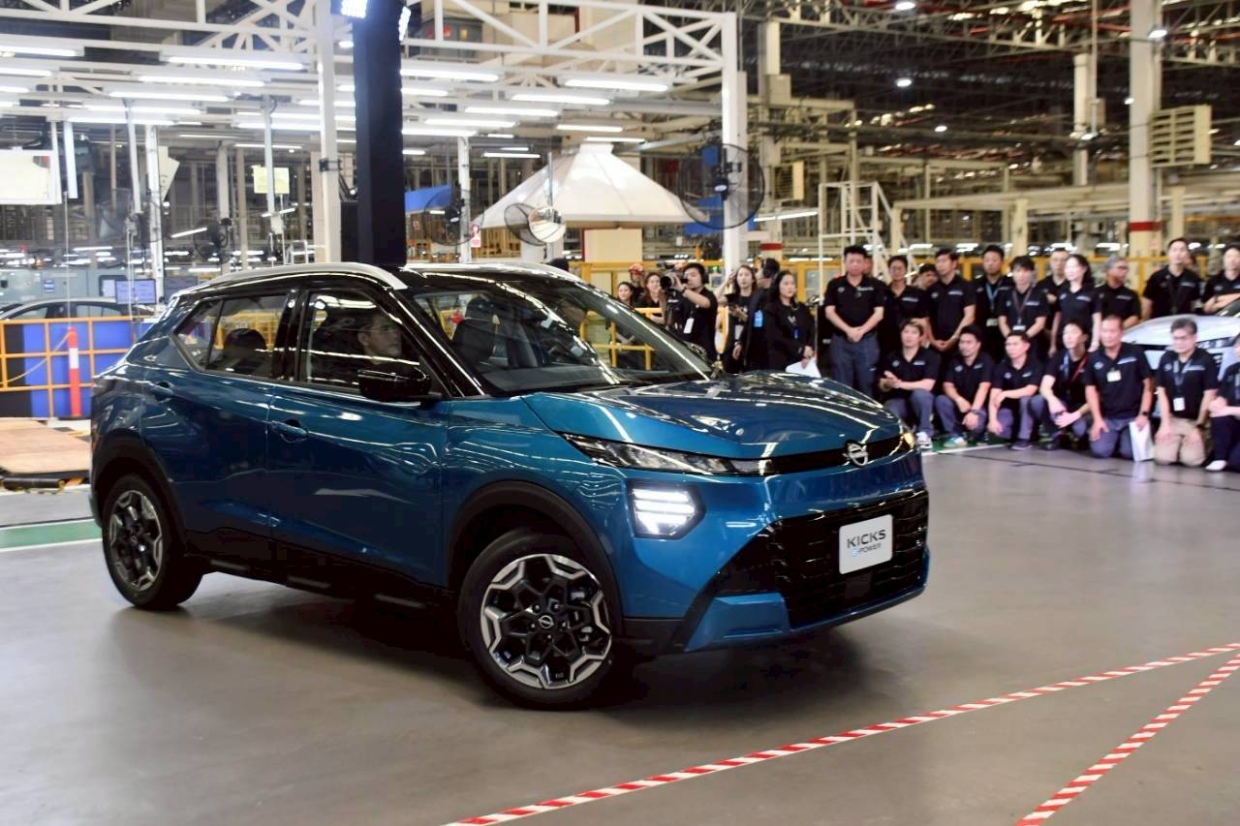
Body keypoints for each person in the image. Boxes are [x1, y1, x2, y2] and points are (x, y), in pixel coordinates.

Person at [1084, 315, 1154, 459]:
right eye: (1104, 331)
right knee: (1100, 451)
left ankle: (1125, 439)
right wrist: (1097, 419)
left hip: (1133, 416)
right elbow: (1090, 389)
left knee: (1130, 453)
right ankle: (1112, 437)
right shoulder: (1093, 357)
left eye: (1112, 331)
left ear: (1122, 333)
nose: (1108, 335)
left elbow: (1148, 385)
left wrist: (1143, 414)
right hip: (1109, 417)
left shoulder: (1135, 352)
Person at [1153, 317, 1218, 467]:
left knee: (1191, 461)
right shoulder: (1166, 358)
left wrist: (1199, 427)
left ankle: (1203, 441)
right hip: (1174, 419)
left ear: (1194, 338)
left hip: (1196, 420)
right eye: (1175, 338)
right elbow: (1161, 392)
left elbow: (1209, 395)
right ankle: (1178, 444)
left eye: (1184, 338)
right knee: (1162, 458)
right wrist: (1165, 424)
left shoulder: (1206, 359)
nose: (1179, 343)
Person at [825, 244, 886, 395]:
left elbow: (879, 313)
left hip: (867, 341)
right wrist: (849, 330)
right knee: (841, 387)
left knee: (868, 385)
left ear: (865, 263)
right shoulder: (834, 285)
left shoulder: (876, 285)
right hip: (841, 341)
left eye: (859, 261)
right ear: (844, 262)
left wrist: (861, 331)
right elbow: (829, 312)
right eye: (851, 261)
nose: (855, 264)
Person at [1031, 320, 1092, 450]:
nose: (1068, 337)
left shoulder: (1092, 359)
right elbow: (1044, 386)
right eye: (1065, 333)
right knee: (1037, 401)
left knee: (1079, 429)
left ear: (1084, 337)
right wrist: (1052, 400)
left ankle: (1082, 436)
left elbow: (1096, 398)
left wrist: (1075, 415)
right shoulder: (1059, 357)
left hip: (1083, 408)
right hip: (1063, 405)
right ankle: (1057, 435)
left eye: (1073, 332)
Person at [879, 320, 938, 449]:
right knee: (890, 407)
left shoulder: (930, 356)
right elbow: (882, 384)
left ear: (920, 337)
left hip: (920, 402)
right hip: (899, 400)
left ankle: (925, 433)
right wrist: (889, 383)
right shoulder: (891, 356)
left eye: (913, 333)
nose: (909, 336)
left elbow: (928, 385)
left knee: (920, 394)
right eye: (906, 332)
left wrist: (900, 384)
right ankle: (902, 436)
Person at [935, 325, 993, 447]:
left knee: (976, 426)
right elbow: (947, 385)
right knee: (941, 400)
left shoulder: (986, 360)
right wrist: (959, 399)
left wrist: (974, 411)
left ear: (978, 344)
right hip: (961, 405)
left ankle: (979, 433)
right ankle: (955, 435)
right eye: (962, 342)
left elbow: (984, 388)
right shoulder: (954, 359)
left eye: (969, 342)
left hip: (979, 407)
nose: (964, 346)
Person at [987, 331, 1042, 450]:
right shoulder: (1001, 366)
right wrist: (992, 420)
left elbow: (1030, 390)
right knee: (997, 430)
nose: (1010, 348)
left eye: (1015, 344)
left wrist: (1005, 393)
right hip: (1010, 408)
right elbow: (994, 395)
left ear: (1026, 346)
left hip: (1029, 409)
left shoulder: (1035, 364)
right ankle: (1016, 433)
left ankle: (1024, 438)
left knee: (1025, 399)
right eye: (1008, 344)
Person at [925, 248, 976, 373]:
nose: (940, 265)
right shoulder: (931, 289)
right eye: (938, 262)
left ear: (954, 264)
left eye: (944, 261)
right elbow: (926, 318)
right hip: (936, 345)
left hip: (960, 344)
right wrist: (932, 341)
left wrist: (954, 338)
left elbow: (970, 315)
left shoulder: (966, 286)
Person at [664, 261, 719, 361]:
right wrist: (662, 298)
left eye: (693, 275)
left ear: (703, 278)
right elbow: (668, 318)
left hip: (704, 351)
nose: (689, 278)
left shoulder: (709, 295)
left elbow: (705, 303)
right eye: (686, 276)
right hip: (684, 349)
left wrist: (682, 289)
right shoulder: (682, 296)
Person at [997, 255, 1049, 357]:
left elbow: (1040, 323)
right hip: (1011, 344)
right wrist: (1011, 340)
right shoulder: (1005, 295)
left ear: (1031, 272)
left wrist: (1024, 338)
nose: (1021, 275)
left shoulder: (1040, 295)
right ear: (1012, 273)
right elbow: (1002, 321)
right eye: (1018, 271)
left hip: (1033, 342)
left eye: (1025, 271)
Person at [763, 270, 815, 371]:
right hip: (780, 361)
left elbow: (812, 330)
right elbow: (775, 337)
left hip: (803, 361)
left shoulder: (801, 308)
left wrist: (808, 351)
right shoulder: (771, 309)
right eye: (786, 284)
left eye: (792, 283)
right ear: (778, 286)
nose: (790, 287)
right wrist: (800, 349)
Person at [1142, 237, 1201, 320]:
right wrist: (1146, 322)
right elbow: (1147, 304)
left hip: (1184, 322)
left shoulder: (1193, 278)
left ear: (1187, 254)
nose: (1178, 253)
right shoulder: (1156, 277)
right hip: (1160, 322)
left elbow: (1195, 304)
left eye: (1182, 250)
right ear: (1168, 253)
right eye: (1174, 250)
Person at [879, 255, 927, 356]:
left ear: (905, 270)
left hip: (910, 344)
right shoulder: (881, 293)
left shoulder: (918, 294)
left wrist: (922, 346)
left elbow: (924, 321)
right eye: (893, 268)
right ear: (889, 270)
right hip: (885, 344)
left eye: (900, 268)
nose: (897, 271)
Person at [1050, 253, 1096, 355]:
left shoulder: (1091, 292)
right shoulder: (1062, 292)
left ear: (1084, 269)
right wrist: (1053, 343)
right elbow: (1057, 318)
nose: (1070, 270)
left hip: (1085, 340)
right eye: (1067, 267)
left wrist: (1095, 342)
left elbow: (1097, 319)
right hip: (1064, 341)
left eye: (1074, 267)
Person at [1206, 334, 1240, 471]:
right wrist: (1216, 404)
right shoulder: (1231, 370)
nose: (1238, 350)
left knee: (1237, 463)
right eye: (1237, 346)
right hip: (1235, 421)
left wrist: (1229, 410)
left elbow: (1228, 409)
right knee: (1218, 415)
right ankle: (1220, 458)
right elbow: (1222, 396)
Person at [974, 244, 1012, 359]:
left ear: (1002, 262)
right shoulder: (974, 285)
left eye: (994, 260)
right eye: (987, 260)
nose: (990, 263)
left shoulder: (1011, 283)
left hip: (1005, 333)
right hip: (982, 334)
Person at [722, 265, 757, 373]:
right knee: (729, 376)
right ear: (736, 279)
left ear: (753, 279)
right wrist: (726, 282)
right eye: (740, 275)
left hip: (750, 344)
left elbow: (758, 324)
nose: (743, 278)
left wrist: (741, 315)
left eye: (747, 275)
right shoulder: (732, 297)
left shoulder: (758, 299)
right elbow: (712, 300)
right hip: (731, 343)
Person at [1092, 255, 1140, 332]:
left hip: (1124, 334)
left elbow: (1135, 316)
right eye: (1121, 268)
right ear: (1108, 270)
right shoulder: (1096, 293)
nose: (1124, 271)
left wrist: (1117, 330)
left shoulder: (1131, 295)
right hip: (1101, 334)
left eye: (1126, 268)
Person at [740, 265, 775, 370]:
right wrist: (741, 342)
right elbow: (750, 320)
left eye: (758, 278)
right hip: (753, 348)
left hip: (768, 350)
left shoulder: (775, 296)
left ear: (767, 276)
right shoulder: (756, 294)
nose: (756, 280)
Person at [1202, 244, 1240, 314]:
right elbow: (1207, 308)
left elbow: (1214, 303)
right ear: (1223, 259)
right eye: (1229, 256)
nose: (1232, 260)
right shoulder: (1213, 281)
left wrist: (1218, 299)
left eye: (1236, 256)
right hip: (1217, 319)